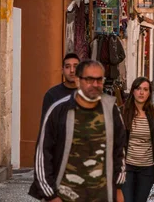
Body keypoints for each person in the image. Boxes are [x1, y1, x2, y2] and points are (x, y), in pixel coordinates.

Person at [29, 60, 126, 202]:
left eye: (99, 79)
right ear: (78, 81)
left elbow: (120, 150)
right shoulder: (59, 110)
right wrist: (50, 195)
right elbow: (43, 154)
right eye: (89, 79)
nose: (95, 84)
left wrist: (118, 187)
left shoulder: (111, 110)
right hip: (65, 196)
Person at [122, 77, 154, 202]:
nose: (141, 93)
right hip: (126, 167)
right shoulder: (123, 112)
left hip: (147, 168)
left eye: (145, 89)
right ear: (133, 91)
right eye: (138, 89)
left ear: (149, 93)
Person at [40, 53, 80, 122]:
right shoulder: (52, 95)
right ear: (62, 71)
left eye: (75, 66)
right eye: (67, 67)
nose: (72, 70)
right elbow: (45, 126)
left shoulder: (87, 94)